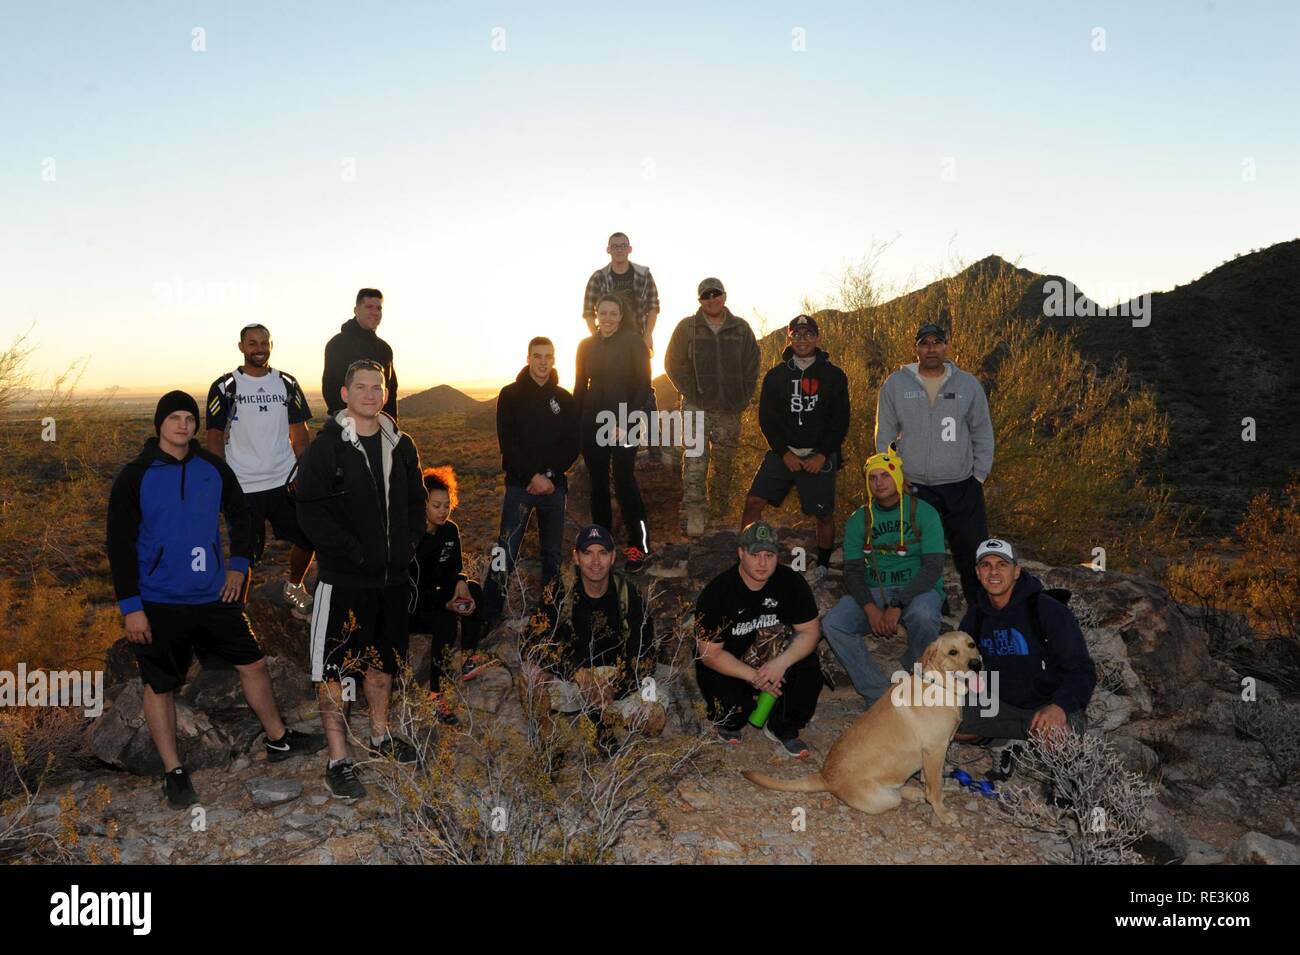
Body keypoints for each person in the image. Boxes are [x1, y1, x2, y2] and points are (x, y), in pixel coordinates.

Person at [106, 391, 324, 808]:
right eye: (175, 418)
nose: (184, 425)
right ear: (159, 424)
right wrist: (131, 608)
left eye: (190, 418)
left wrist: (239, 564)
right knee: (161, 685)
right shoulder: (135, 476)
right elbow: (118, 545)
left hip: (212, 595)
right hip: (159, 600)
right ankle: (174, 771)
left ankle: (278, 739)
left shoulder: (212, 467)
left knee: (254, 663)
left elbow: (242, 514)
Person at [295, 360, 426, 800]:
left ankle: (380, 735)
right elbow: (308, 509)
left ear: (385, 394)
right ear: (345, 395)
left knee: (383, 663)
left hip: (391, 580)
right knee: (333, 670)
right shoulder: (327, 447)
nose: (371, 394)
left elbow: (416, 501)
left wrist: (406, 547)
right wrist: (353, 551)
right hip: (344, 579)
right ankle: (338, 760)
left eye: (378, 387)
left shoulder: (401, 444)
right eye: (362, 387)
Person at [874, 312, 993, 609]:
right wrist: (894, 477)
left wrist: (978, 475)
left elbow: (982, 431)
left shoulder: (967, 384)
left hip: (961, 485)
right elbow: (883, 435)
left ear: (946, 347)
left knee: (971, 552)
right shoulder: (896, 384)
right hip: (916, 487)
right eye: (924, 343)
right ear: (916, 348)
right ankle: (929, 606)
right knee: (921, 552)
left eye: (937, 343)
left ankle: (982, 612)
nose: (931, 348)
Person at [821, 446, 946, 706]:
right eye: (873, 478)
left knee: (924, 615)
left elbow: (933, 566)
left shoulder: (924, 512)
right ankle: (876, 694)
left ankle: (915, 676)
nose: (879, 483)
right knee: (834, 623)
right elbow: (853, 571)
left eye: (885, 475)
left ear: (898, 477)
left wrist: (897, 604)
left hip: (917, 588)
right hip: (876, 590)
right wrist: (871, 609)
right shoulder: (860, 519)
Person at [205, 323, 316, 617]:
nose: (259, 349)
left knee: (309, 536)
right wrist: (222, 482)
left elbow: (300, 434)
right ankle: (238, 618)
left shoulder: (287, 383)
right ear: (241, 347)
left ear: (271, 345)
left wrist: (304, 474)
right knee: (246, 555)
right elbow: (214, 437)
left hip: (284, 481)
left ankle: (294, 586)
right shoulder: (225, 386)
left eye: (264, 343)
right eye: (252, 343)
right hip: (243, 486)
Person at [519, 524, 665, 745]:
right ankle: (549, 741)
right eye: (588, 553)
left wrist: (615, 686)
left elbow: (645, 653)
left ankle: (603, 719)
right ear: (576, 557)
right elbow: (531, 643)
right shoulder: (561, 591)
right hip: (573, 681)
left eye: (603, 553)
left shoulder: (627, 593)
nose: (596, 562)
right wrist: (578, 673)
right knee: (528, 676)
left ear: (613, 556)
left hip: (614, 681)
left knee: (654, 719)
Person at [955, 538, 1095, 767]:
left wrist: (1059, 706)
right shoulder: (975, 618)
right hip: (999, 708)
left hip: (1047, 707)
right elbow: (960, 668)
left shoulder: (1048, 610)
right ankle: (1002, 741)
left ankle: (1050, 768)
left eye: (1002, 564)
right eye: (986, 565)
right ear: (978, 573)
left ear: (1016, 571)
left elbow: (1082, 670)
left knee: (1060, 740)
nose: (994, 572)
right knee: (940, 718)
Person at [692, 520, 823, 758]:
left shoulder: (791, 582)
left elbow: (810, 631)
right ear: (741, 553)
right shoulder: (717, 592)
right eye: (755, 554)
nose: (763, 563)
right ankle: (732, 718)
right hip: (731, 663)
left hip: (775, 659)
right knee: (733, 715)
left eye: (769, 555)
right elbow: (709, 653)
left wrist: (781, 664)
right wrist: (755, 677)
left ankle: (783, 727)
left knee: (809, 666)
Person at [481, 337, 581, 629]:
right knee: (505, 550)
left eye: (548, 356)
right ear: (528, 358)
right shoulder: (510, 395)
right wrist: (531, 477)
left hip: (553, 489)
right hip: (519, 487)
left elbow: (572, 445)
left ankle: (551, 616)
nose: (542, 362)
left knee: (552, 554)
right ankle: (488, 615)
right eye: (537, 356)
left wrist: (548, 476)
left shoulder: (564, 398)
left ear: (554, 359)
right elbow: (508, 443)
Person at [743, 315, 850, 579]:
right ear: (789, 338)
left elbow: (840, 420)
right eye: (797, 334)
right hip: (785, 452)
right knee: (754, 501)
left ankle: (823, 565)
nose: (802, 339)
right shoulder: (776, 376)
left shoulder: (834, 376)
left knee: (823, 514)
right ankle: (748, 552)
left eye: (808, 334)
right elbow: (768, 419)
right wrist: (783, 452)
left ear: (817, 338)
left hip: (819, 455)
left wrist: (823, 454)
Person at [664, 277, 761, 537]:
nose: (712, 298)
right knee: (695, 458)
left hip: (730, 407)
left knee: (724, 462)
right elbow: (673, 364)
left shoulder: (740, 328)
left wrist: (742, 397)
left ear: (724, 296)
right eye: (706, 295)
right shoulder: (688, 327)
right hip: (697, 406)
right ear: (700, 300)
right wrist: (692, 392)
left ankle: (718, 514)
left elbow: (752, 364)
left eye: (716, 293)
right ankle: (696, 512)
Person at [574, 294, 653, 573]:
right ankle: (602, 547)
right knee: (597, 484)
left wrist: (625, 420)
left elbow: (643, 386)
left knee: (624, 480)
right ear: (596, 315)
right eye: (602, 312)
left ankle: (639, 546)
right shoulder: (585, 346)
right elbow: (580, 387)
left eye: (613, 313)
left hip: (625, 422)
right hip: (591, 423)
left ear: (621, 316)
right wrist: (577, 424)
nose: (607, 318)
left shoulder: (634, 343)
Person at [408, 465, 489, 722]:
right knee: (445, 622)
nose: (443, 511)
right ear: (423, 505)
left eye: (447, 504)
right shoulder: (412, 538)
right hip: (414, 606)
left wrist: (462, 581)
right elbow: (412, 591)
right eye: (436, 505)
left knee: (475, 589)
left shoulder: (450, 530)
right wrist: (447, 604)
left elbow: (454, 569)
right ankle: (435, 694)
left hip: (440, 596)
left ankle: (469, 656)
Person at [322, 288, 399, 420]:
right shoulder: (338, 345)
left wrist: (391, 426)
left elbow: (390, 391)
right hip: (346, 427)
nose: (375, 312)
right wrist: (347, 425)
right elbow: (331, 388)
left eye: (378, 308)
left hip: (379, 428)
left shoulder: (384, 349)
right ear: (356, 310)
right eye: (369, 307)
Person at [581, 231, 661, 350]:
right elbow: (588, 312)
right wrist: (596, 338)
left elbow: (653, 307)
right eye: (615, 246)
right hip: (607, 339)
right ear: (608, 250)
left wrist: (648, 336)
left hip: (637, 336)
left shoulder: (644, 275)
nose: (619, 250)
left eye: (623, 246)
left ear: (630, 249)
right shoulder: (598, 277)